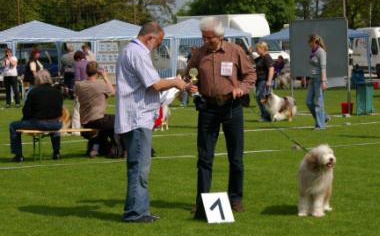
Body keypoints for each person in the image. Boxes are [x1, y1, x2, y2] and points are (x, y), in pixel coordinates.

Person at [115, 21, 188, 223]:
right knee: (140, 168)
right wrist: (175, 82)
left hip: (134, 116)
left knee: (136, 167)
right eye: (159, 42)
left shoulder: (129, 50)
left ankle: (139, 210)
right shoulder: (138, 53)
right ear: (150, 38)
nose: (158, 46)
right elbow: (154, 84)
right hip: (137, 118)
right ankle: (136, 213)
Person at [185, 17, 256, 220]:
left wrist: (241, 89)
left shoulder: (235, 51)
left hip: (232, 107)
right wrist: (191, 87)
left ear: (219, 36)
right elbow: (188, 76)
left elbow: (250, 75)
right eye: (203, 37)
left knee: (236, 157)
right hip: (208, 108)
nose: (205, 41)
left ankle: (235, 199)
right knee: (204, 158)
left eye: (209, 38)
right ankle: (202, 202)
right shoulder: (199, 54)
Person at [9, 70, 63, 162]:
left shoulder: (34, 92)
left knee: (13, 125)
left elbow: (26, 111)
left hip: (40, 123)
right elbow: (59, 109)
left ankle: (18, 155)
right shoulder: (57, 92)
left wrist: (25, 120)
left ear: (37, 80)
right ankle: (56, 152)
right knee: (53, 128)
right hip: (56, 123)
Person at [75, 61, 122, 158]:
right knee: (119, 121)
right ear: (98, 72)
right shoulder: (100, 84)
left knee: (106, 126)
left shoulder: (79, 85)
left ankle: (95, 148)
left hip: (85, 120)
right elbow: (112, 92)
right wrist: (105, 77)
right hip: (97, 118)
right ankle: (117, 149)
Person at [306, 34, 329, 129]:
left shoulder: (321, 52)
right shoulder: (312, 51)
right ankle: (324, 117)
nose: (309, 45)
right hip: (312, 79)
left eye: (311, 43)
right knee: (308, 102)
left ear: (315, 42)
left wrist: (323, 81)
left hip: (319, 80)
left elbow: (323, 68)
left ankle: (320, 125)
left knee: (319, 103)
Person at [254, 41, 274, 122]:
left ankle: (266, 116)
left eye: (257, 49)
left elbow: (271, 69)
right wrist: (249, 52)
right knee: (259, 97)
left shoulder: (267, 57)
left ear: (263, 48)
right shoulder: (260, 57)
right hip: (259, 81)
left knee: (261, 97)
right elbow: (252, 61)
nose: (256, 50)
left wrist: (269, 81)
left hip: (264, 81)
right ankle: (265, 115)